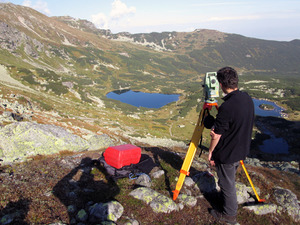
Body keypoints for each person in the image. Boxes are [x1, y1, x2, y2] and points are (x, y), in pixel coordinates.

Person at [208, 66, 255, 224]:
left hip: (228, 153)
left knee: (227, 184)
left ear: (221, 84)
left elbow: (217, 135)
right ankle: (227, 203)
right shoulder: (246, 98)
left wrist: (211, 153)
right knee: (228, 180)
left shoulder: (227, 106)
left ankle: (229, 216)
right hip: (241, 149)